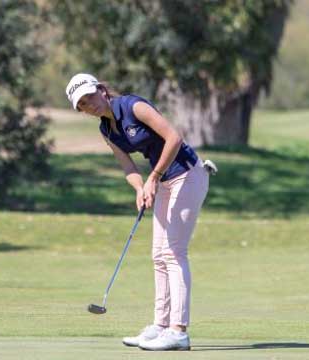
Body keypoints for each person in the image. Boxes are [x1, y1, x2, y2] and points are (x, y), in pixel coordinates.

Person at [65, 73, 215, 351]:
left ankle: (178, 331)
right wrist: (139, 188)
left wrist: (154, 177)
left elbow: (174, 137)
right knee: (158, 254)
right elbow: (128, 167)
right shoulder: (106, 130)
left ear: (101, 89)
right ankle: (160, 326)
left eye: (90, 97)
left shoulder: (133, 106)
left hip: (188, 174)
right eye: (83, 104)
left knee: (173, 252)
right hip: (163, 180)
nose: (90, 105)